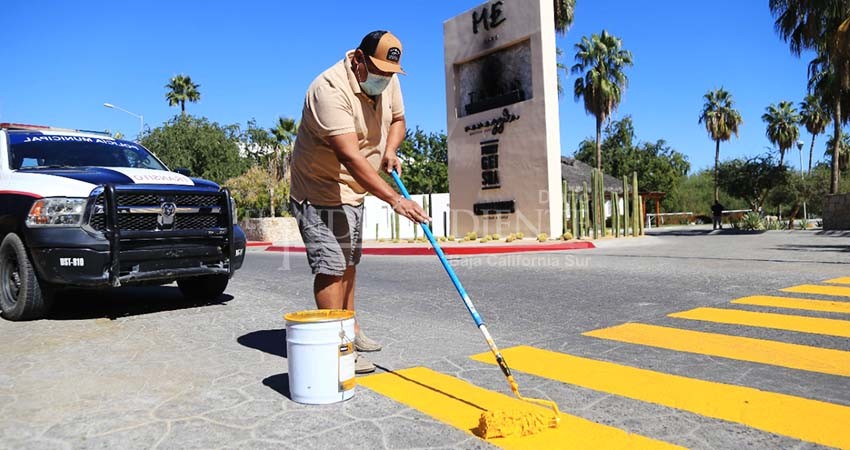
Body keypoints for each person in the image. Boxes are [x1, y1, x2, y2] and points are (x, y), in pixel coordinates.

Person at [289, 31, 430, 374]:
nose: (385, 80)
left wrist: (391, 150)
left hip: (355, 189)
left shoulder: (385, 77)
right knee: (331, 267)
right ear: (358, 60)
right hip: (320, 188)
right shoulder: (329, 89)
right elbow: (350, 157)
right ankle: (336, 346)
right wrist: (396, 200)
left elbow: (398, 120)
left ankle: (349, 328)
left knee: (350, 262)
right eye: (378, 71)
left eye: (390, 73)